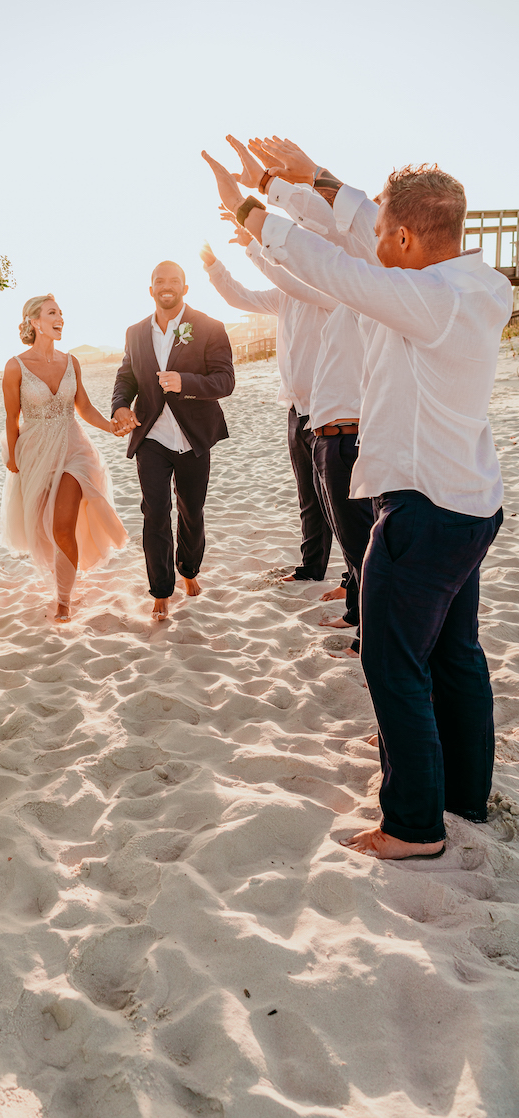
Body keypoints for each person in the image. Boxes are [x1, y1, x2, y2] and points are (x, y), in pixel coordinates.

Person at [206, 152, 513, 860]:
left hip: (423, 512)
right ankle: (465, 798)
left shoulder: (427, 301)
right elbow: (355, 236)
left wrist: (254, 212)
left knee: (391, 661)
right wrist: (308, 178)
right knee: (458, 656)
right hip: (470, 505)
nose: (372, 242)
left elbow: (334, 266)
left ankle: (412, 825)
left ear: (405, 240)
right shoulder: (479, 285)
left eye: (383, 233)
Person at [200, 141, 335, 586]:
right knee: (308, 497)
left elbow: (287, 273)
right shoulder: (284, 297)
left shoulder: (325, 291)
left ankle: (353, 581)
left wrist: (255, 242)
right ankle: (311, 567)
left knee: (338, 500)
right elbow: (240, 296)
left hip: (331, 412)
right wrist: (214, 265)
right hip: (296, 409)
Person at [111, 261, 235, 621]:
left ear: (185, 287)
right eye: (159, 281)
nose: (167, 286)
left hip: (194, 436)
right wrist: (120, 405)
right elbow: (126, 377)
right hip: (151, 436)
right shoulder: (135, 332)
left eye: (174, 281)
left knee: (191, 511)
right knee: (155, 514)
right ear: (151, 289)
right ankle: (161, 590)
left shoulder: (210, 327)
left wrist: (186, 382)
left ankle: (189, 570)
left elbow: (225, 381)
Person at [1, 294, 127, 621]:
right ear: (34, 321)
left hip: (74, 448)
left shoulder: (71, 362)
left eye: (61, 313)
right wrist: (14, 458)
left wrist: (111, 427)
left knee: (62, 525)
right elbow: (11, 417)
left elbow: (83, 407)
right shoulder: (15, 366)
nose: (60, 318)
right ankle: (63, 583)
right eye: (52, 313)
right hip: (36, 451)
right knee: (46, 530)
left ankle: (63, 599)